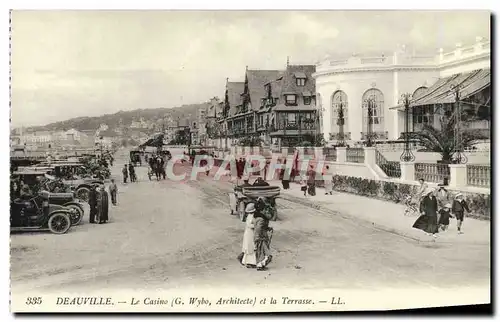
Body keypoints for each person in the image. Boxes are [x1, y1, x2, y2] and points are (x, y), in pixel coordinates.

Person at [254, 204, 273, 271]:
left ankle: (261, 265)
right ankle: (260, 265)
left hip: (259, 237)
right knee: (265, 252)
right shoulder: (261, 219)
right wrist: (260, 237)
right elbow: (258, 229)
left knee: (261, 252)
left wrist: (267, 228)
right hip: (261, 238)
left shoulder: (257, 218)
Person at [238, 203, 257, 268]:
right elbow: (249, 225)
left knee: (250, 246)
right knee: (250, 246)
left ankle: (246, 260)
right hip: (250, 233)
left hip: (249, 232)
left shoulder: (249, 216)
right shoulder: (251, 217)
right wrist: (256, 226)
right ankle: (250, 262)